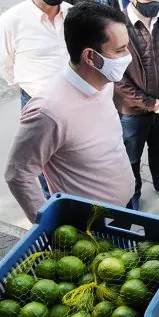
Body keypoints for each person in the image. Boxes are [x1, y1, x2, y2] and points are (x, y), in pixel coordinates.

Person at [4, 2, 135, 223]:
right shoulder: (47, 111)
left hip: (124, 207)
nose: (128, 55)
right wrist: (48, 224)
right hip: (91, 225)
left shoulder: (105, 83)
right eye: (120, 50)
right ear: (91, 57)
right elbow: (17, 174)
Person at [114, 0, 159, 210]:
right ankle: (134, 192)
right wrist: (149, 103)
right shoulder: (118, 25)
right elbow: (117, 78)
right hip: (133, 111)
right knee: (132, 155)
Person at [0, 0, 72, 199]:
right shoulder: (11, 21)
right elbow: (7, 66)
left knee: (75, 157)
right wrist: (34, 87)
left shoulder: (74, 14)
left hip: (76, 101)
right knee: (42, 163)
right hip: (38, 103)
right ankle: (53, 204)